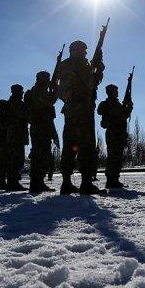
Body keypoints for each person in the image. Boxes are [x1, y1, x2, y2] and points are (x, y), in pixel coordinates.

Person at [57, 40, 104, 195]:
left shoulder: (64, 66)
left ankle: (66, 183)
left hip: (70, 111)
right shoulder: (83, 65)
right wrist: (98, 70)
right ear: (79, 50)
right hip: (83, 110)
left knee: (70, 146)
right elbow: (91, 84)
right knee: (86, 145)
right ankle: (86, 183)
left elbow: (61, 91)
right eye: (84, 50)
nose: (85, 53)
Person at [24, 71, 58, 193]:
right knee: (40, 155)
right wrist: (56, 90)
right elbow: (49, 101)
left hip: (44, 127)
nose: (49, 82)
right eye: (47, 79)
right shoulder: (36, 92)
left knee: (44, 155)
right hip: (39, 127)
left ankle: (39, 182)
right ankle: (36, 183)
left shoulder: (39, 91)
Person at [97, 84, 132, 189]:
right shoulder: (110, 104)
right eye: (115, 91)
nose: (117, 93)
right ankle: (111, 181)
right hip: (114, 133)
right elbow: (122, 116)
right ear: (111, 92)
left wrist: (126, 106)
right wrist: (129, 107)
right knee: (113, 157)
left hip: (118, 133)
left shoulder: (114, 104)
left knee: (117, 157)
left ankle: (114, 179)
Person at [5, 85, 29, 191]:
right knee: (17, 160)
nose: (23, 93)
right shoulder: (16, 103)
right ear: (17, 92)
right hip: (16, 135)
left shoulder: (12, 102)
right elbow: (24, 115)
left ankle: (12, 182)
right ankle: (13, 183)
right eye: (21, 91)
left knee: (16, 159)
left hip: (16, 134)